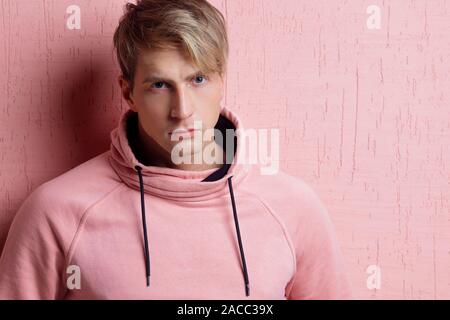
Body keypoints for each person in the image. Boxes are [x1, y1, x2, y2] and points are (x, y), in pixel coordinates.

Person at [0, 0, 353, 299]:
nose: (182, 109)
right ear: (128, 92)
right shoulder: (56, 212)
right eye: (159, 84)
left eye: (198, 79)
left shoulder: (293, 207)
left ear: (221, 81)